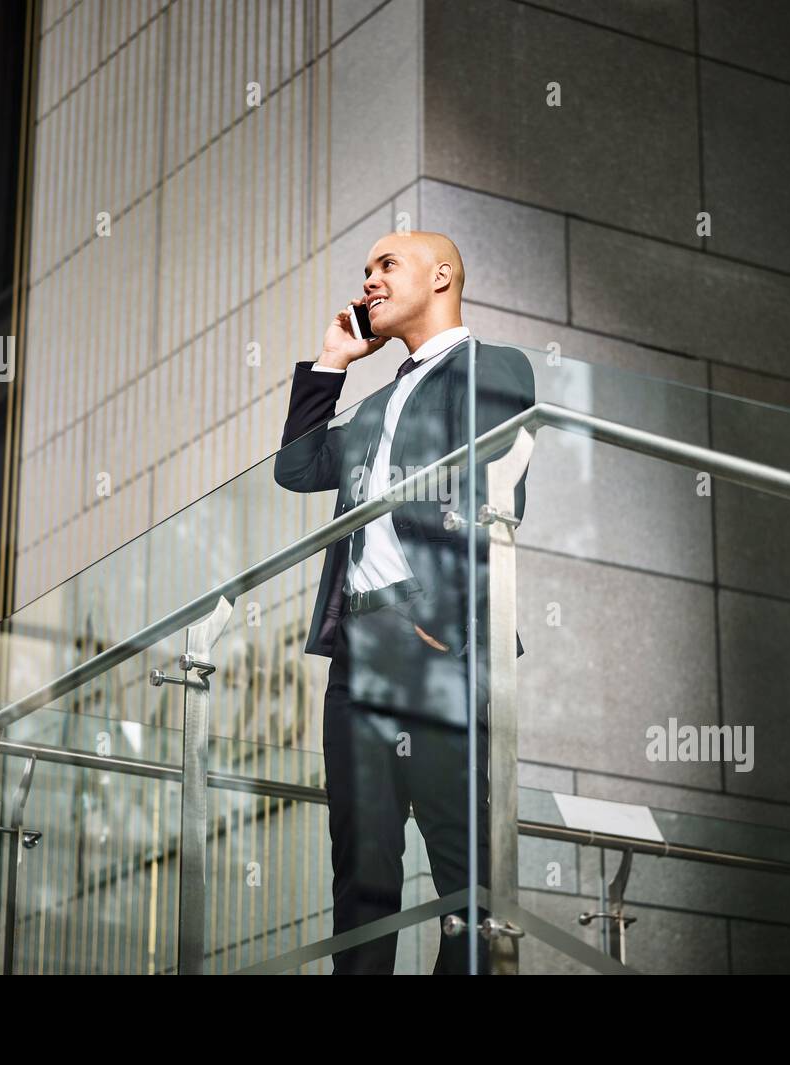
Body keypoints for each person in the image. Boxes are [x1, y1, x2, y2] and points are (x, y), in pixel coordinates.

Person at [274, 231, 534, 973]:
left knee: (463, 869)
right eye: (365, 271)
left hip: (430, 642)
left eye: (386, 265)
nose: (370, 282)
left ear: (442, 274)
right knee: (362, 871)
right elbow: (295, 468)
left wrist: (441, 627)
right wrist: (333, 361)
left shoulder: (492, 367)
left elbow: (494, 500)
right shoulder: (374, 406)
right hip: (358, 652)